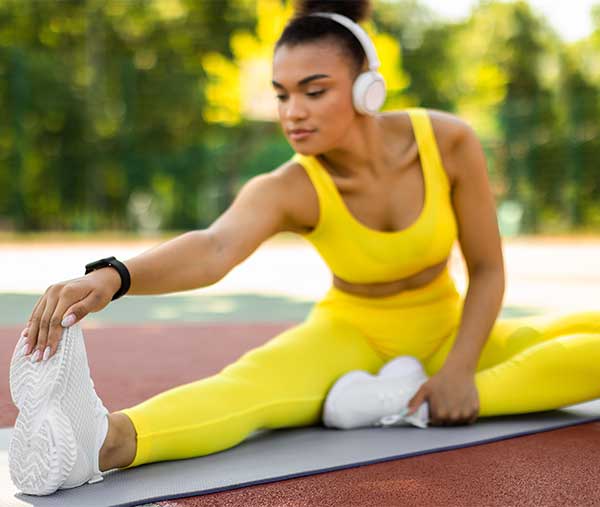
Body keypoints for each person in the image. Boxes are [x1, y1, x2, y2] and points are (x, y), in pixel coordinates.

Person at [9, 0, 600, 496]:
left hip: (453, 327)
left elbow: (489, 269)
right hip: (347, 334)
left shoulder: (448, 141)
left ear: (368, 88)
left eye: (313, 92)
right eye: (282, 94)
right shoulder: (290, 185)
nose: (292, 113)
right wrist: (113, 276)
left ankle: (400, 399)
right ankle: (95, 442)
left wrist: (461, 372)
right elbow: (215, 248)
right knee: (250, 390)